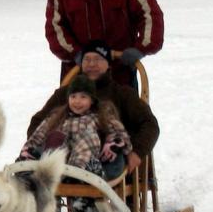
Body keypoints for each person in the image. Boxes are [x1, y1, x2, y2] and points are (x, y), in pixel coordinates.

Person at [27, 40, 159, 174]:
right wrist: (40, 148)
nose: (91, 64)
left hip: (109, 163)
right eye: (87, 59)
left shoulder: (122, 94)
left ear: (108, 64)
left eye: (98, 59)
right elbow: (38, 121)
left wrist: (136, 152)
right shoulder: (65, 94)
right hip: (64, 162)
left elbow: (150, 124)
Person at [20, 74, 132, 180]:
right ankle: (34, 168)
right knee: (55, 137)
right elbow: (38, 135)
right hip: (60, 165)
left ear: (92, 100)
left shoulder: (100, 116)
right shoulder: (59, 117)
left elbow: (119, 135)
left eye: (83, 97)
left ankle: (79, 172)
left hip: (91, 163)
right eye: (73, 97)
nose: (77, 101)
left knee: (89, 137)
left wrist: (111, 146)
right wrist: (29, 151)